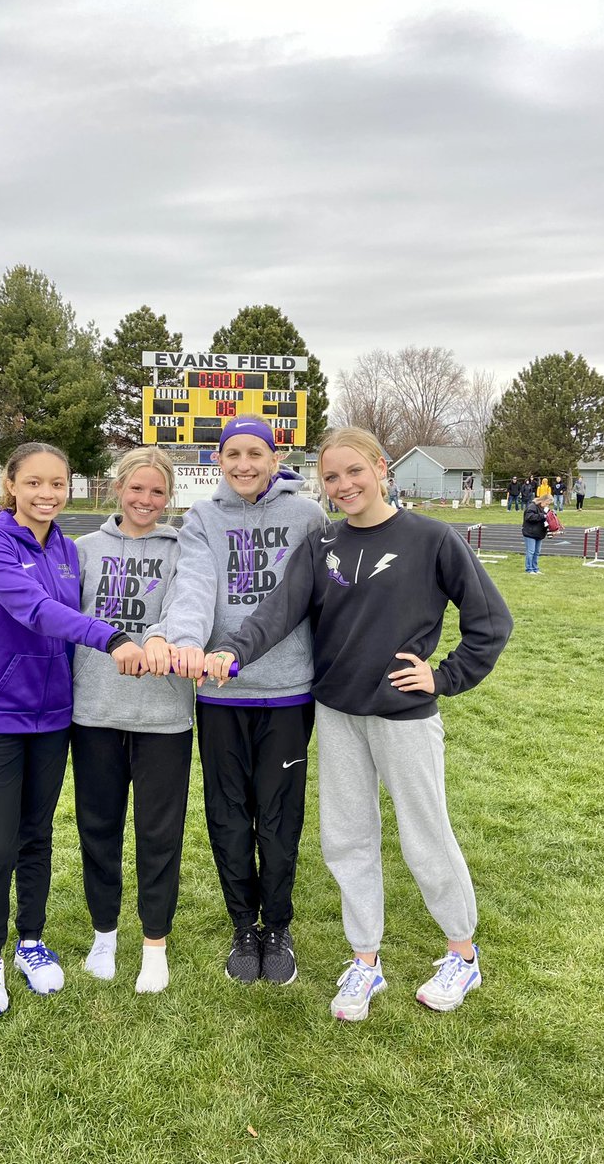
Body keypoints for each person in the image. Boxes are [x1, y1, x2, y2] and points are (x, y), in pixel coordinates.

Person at [203, 427, 513, 1020]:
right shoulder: (322, 544)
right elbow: (278, 611)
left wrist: (442, 677)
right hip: (338, 714)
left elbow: (490, 623)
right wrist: (233, 654)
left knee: (426, 836)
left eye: (354, 472)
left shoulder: (432, 539)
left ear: (381, 469)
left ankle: (462, 955)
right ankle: (365, 962)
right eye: (332, 476)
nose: (344, 485)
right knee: (347, 841)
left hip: (403, 717)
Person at [0, 442, 146, 1018]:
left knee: (37, 835)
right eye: (34, 483)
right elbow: (35, 611)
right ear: (11, 484)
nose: (46, 494)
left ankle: (30, 942)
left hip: (52, 716)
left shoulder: (66, 548)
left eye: (57, 484)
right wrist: (112, 638)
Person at [144, 415, 324, 986]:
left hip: (289, 691)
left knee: (277, 814)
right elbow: (194, 585)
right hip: (221, 693)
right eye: (232, 455)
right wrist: (188, 644)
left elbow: (317, 598)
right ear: (218, 461)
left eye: (255, 453)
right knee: (227, 813)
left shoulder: (307, 516)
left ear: (275, 458)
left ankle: (279, 925)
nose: (243, 465)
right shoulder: (203, 518)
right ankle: (243, 926)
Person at [71, 447, 194, 994]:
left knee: (158, 833)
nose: (146, 501)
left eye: (158, 492)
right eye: (137, 489)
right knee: (98, 828)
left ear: (170, 498)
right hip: (95, 711)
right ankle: (104, 935)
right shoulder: (84, 550)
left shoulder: (185, 548)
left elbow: (192, 608)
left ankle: (154, 945)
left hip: (164, 714)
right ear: (116, 488)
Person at [521, 492, 554, 574]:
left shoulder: (545, 509)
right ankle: (529, 569)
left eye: (549, 504)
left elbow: (546, 520)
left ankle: (535, 568)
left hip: (539, 533)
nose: (547, 505)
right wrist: (543, 516)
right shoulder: (532, 506)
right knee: (531, 551)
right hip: (530, 532)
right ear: (543, 500)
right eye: (547, 503)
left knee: (537, 552)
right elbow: (529, 517)